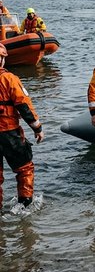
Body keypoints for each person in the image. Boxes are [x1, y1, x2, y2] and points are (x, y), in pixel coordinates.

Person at [0, 42, 44, 208]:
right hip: (9, 133)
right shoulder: (9, 79)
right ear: (3, 60)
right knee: (25, 168)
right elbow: (24, 107)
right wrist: (37, 129)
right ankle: (25, 205)